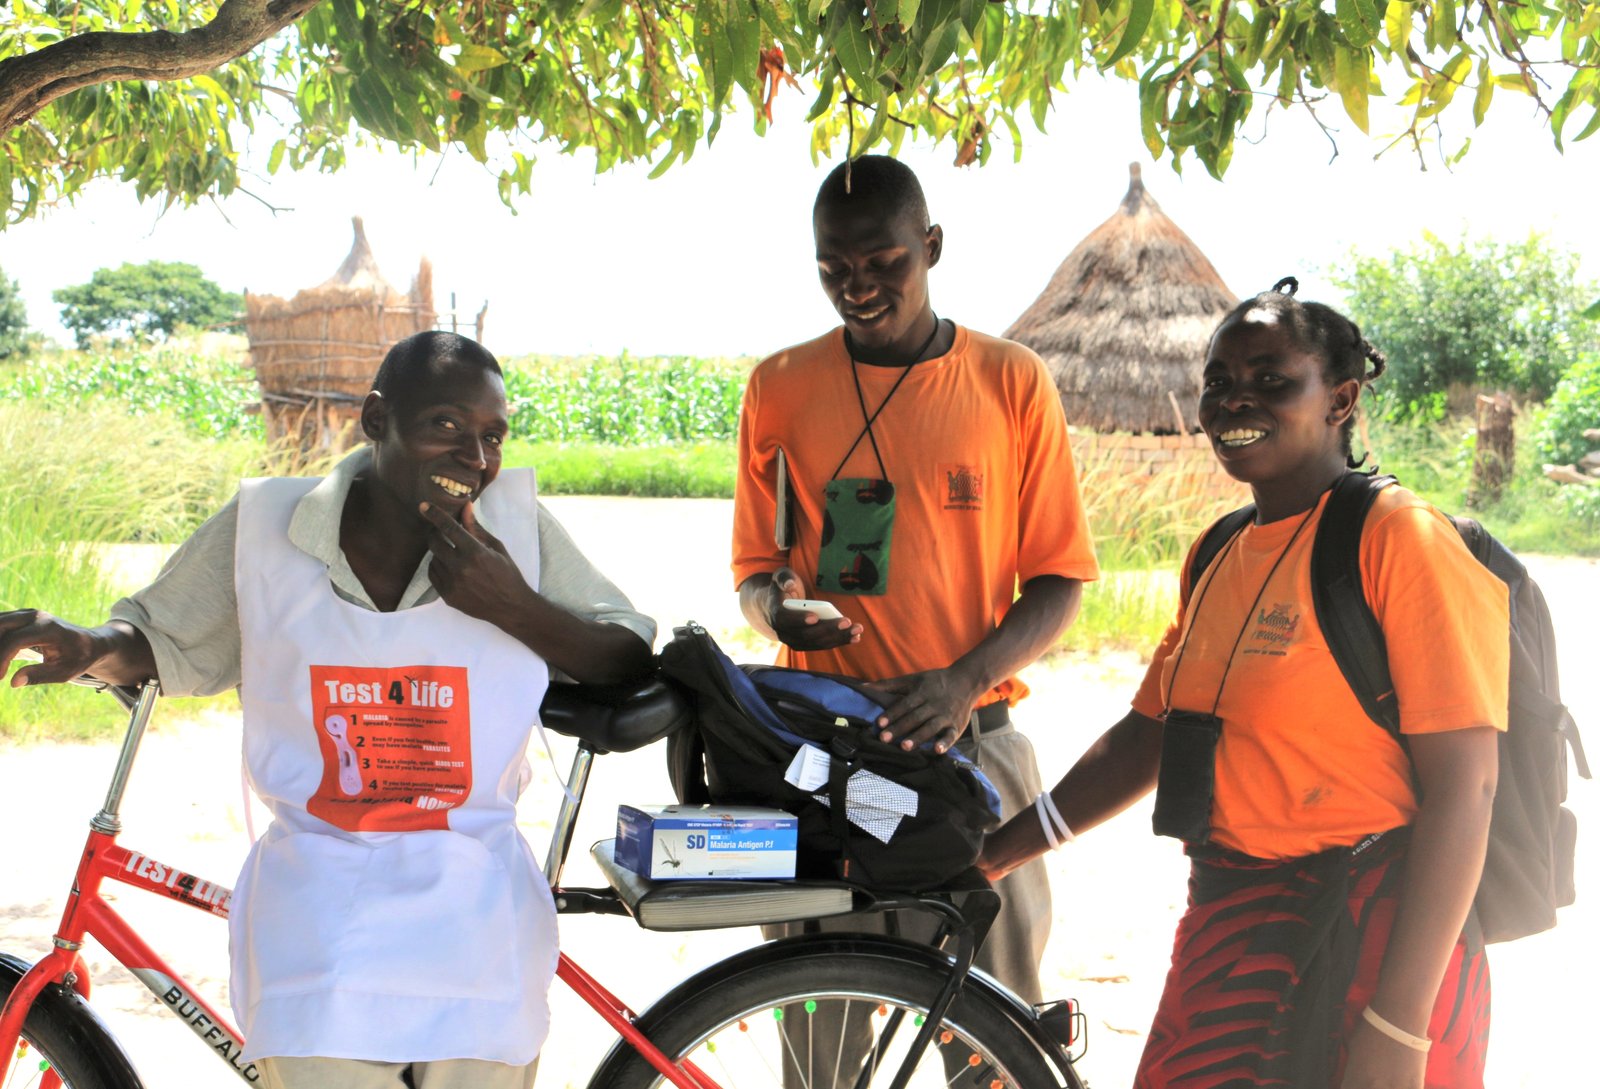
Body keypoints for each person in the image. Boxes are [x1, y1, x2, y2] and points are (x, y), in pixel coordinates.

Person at [0, 331, 656, 1089]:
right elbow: (160, 638)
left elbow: (625, 653)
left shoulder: (513, 528)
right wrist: (86, 647)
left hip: (477, 904)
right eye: (446, 424)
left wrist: (514, 605)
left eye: (492, 435)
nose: (475, 458)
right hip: (316, 902)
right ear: (375, 419)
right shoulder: (265, 529)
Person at [980, 278, 1507, 1089]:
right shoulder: (1219, 549)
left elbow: (1465, 791)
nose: (1235, 401)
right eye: (1218, 383)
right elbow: (1151, 735)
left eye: (1270, 380)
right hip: (1231, 920)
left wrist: (1400, 1022)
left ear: (1341, 399)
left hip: (1377, 930)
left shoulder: (1398, 539)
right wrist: (997, 854)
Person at [731, 155, 1101, 1081]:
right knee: (823, 1039)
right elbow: (753, 572)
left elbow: (1059, 581)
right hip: (826, 760)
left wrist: (962, 679)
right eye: (833, 268)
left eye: (883, 262)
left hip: (974, 754)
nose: (858, 288)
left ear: (931, 247)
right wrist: (779, 609)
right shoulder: (779, 387)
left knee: (992, 1032)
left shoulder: (1012, 383)